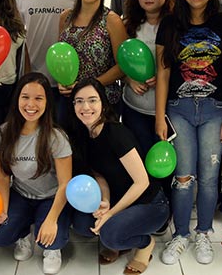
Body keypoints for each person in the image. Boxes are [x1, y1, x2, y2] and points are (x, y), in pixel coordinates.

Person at [155, 0, 222, 266]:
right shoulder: (169, 25)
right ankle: (181, 234)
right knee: (183, 176)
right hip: (178, 111)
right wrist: (159, 116)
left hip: (215, 110)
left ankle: (203, 232)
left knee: (208, 176)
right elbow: (163, 74)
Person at [68, 79, 169, 275]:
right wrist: (104, 201)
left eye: (92, 100)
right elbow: (99, 175)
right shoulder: (83, 134)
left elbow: (142, 182)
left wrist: (111, 214)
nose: (85, 107)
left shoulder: (116, 133)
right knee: (82, 224)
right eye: (79, 101)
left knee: (110, 235)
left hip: (150, 203)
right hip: (118, 197)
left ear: (103, 104)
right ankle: (121, 237)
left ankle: (145, 244)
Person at [0, 72, 73, 275]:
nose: (30, 104)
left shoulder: (56, 137)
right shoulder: (4, 132)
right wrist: (2, 209)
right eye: (25, 97)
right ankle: (23, 232)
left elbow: (65, 184)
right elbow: (2, 176)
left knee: (53, 240)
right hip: (21, 195)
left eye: (38, 98)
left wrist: (51, 221)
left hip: (51, 197)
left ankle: (52, 243)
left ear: (47, 103)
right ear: (17, 99)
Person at [58, 0, 128, 116]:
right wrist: (61, 82)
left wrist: (90, 85)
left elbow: (122, 66)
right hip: (70, 100)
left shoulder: (111, 20)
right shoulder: (65, 17)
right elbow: (60, 58)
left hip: (102, 101)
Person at [121, 0, 174, 158]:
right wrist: (129, 79)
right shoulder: (126, 25)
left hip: (169, 110)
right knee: (140, 162)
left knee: (166, 161)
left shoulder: (176, 26)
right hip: (134, 108)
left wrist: (163, 79)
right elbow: (118, 60)